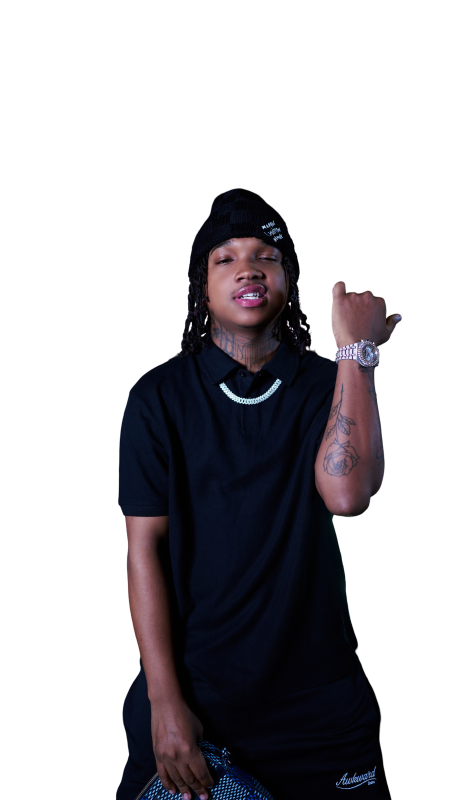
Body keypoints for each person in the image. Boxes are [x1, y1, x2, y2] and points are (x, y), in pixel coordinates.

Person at [116, 188, 397, 798]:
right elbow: (143, 550)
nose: (248, 268)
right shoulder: (157, 397)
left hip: (319, 710)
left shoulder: (329, 382)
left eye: (267, 256)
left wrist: (358, 353)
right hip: (196, 703)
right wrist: (164, 703)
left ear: (288, 280)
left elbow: (348, 496)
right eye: (225, 258)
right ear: (202, 288)